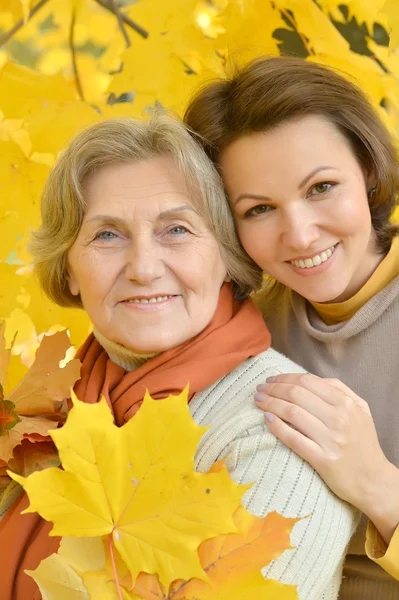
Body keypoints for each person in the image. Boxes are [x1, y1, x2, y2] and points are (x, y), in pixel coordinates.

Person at [0, 115, 356, 600]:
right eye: (107, 235)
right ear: (69, 269)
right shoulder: (44, 410)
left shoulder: (277, 434)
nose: (144, 268)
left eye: (176, 230)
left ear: (228, 257)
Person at [184, 55, 399, 598]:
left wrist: (376, 484)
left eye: (321, 187)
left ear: (369, 172)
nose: (300, 235)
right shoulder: (244, 329)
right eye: (259, 209)